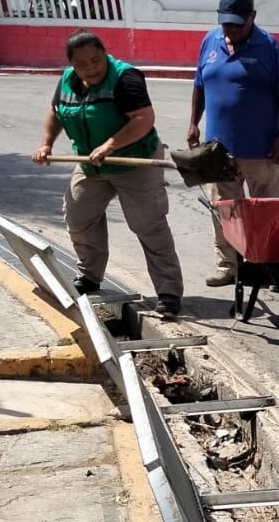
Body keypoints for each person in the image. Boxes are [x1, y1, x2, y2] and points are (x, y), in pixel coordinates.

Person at [32, 29, 184, 317]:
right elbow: (56, 111)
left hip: (134, 161)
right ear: (72, 65)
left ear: (105, 54)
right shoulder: (67, 80)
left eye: (96, 60)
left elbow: (143, 119)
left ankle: (168, 293)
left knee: (148, 225)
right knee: (79, 217)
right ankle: (89, 277)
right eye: (82, 64)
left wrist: (111, 145)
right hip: (92, 163)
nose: (91, 68)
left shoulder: (126, 78)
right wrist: (46, 144)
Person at [187, 0, 279, 287]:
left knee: (266, 211)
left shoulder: (270, 47)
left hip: (262, 151)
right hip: (218, 151)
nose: (231, 29)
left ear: (252, 18)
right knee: (225, 210)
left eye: (237, 23)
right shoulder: (210, 42)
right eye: (226, 24)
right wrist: (193, 123)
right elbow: (200, 85)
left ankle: (270, 265)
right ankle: (229, 265)